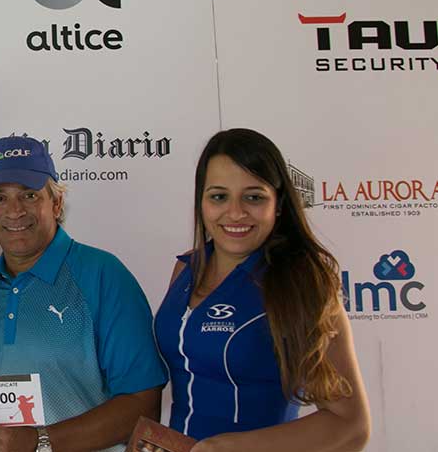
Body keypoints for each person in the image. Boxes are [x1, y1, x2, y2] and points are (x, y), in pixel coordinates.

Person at [153, 128, 371, 451]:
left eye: (254, 197)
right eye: (219, 196)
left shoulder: (301, 285)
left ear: (279, 204)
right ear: (201, 201)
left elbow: (350, 424)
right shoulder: (186, 269)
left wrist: (226, 448)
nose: (236, 212)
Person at [0, 136, 167, 452]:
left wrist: (38, 442)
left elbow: (143, 404)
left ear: (56, 203)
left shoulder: (103, 274)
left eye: (30, 195)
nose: (15, 211)